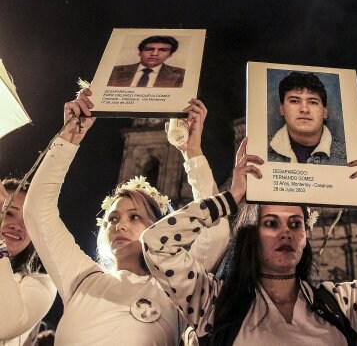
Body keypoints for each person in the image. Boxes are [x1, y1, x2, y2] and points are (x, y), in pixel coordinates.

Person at [142, 138, 357, 345]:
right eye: (271, 223)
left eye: (295, 224)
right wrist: (231, 199)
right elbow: (157, 243)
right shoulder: (213, 303)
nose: (286, 232)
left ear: (305, 237)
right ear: (250, 235)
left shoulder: (342, 305)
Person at [22, 89, 229, 345]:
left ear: (159, 228)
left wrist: (191, 152)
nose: (119, 225)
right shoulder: (82, 278)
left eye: (135, 217)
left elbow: (216, 232)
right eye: (112, 219)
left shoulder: (175, 288)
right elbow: (37, 212)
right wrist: (69, 138)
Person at [1, 179, 57, 346]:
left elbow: (5, 323)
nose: (17, 226)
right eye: (9, 213)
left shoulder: (41, 284)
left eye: (28, 220)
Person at [268, 71, 346, 165]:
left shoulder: (349, 155)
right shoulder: (259, 150)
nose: (304, 109)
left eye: (313, 102)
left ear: (325, 112)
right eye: (294, 101)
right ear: (282, 109)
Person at [107, 35, 186, 88]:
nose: (154, 54)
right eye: (149, 49)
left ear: (170, 55)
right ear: (140, 53)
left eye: (163, 50)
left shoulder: (182, 74)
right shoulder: (114, 71)